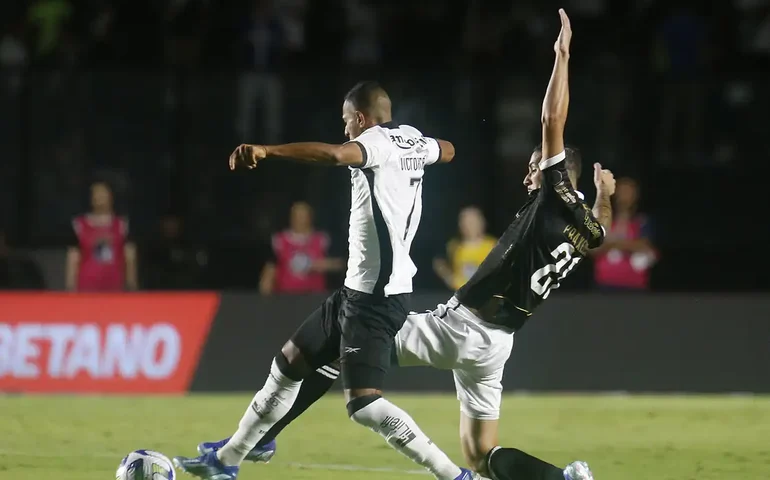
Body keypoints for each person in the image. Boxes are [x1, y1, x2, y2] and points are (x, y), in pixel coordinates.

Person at [195, 10, 612, 480]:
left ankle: (263, 440)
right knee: (482, 452)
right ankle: (563, 478)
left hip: (461, 328)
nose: (529, 174)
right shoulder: (585, 226)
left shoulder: (553, 192)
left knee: (345, 350)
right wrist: (604, 196)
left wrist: (562, 56)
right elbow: (597, 227)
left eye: (536, 166)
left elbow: (552, 117)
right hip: (498, 345)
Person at [173, 81, 479, 480]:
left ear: (361, 119)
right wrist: (422, 148)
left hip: (377, 298)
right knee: (289, 363)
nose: (345, 130)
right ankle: (229, 459)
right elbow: (449, 150)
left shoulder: (374, 142)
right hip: (356, 290)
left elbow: (335, 155)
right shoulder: (411, 139)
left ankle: (454, 476)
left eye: (346, 121)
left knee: (365, 405)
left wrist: (268, 150)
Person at [65, 181, 138, 292]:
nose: (99, 197)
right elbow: (73, 258)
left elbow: (130, 256)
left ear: (111, 196)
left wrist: (132, 285)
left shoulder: (123, 225)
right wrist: (70, 288)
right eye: (96, 194)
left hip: (115, 287)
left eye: (103, 193)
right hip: (86, 287)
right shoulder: (78, 225)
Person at [259, 201, 343, 295]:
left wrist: (319, 265)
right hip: (286, 296)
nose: (301, 220)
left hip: (316, 296)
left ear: (310, 217)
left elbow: (340, 264)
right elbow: (270, 269)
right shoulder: (279, 241)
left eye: (304, 216)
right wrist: (265, 295)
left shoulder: (323, 240)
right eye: (297, 216)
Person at [592, 177, 657, 291]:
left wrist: (613, 243)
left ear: (636, 195)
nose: (624, 196)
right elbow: (592, 249)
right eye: (621, 191)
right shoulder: (602, 219)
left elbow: (645, 246)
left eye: (628, 192)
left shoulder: (642, 221)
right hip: (605, 285)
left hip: (634, 286)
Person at [433, 206, 497, 290]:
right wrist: (448, 276)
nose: (468, 226)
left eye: (472, 222)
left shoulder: (493, 246)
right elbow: (440, 264)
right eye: (465, 222)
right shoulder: (453, 246)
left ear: (482, 223)